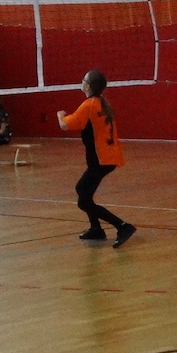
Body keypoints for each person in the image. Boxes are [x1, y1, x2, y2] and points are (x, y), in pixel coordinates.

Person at [58, 69, 136, 248]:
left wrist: (60, 115)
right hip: (106, 158)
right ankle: (96, 229)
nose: (81, 81)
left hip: (101, 159)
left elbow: (65, 125)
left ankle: (122, 226)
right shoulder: (100, 102)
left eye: (83, 79)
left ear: (88, 86)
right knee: (82, 190)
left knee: (83, 200)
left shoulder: (90, 104)